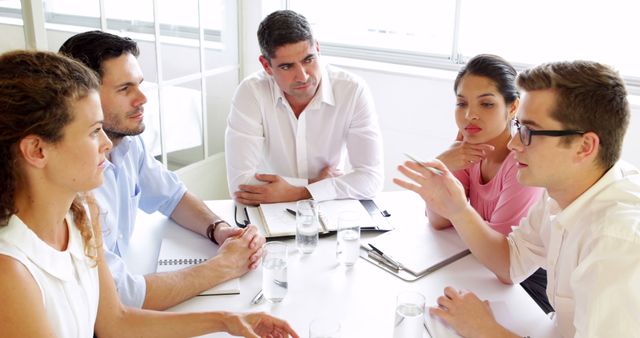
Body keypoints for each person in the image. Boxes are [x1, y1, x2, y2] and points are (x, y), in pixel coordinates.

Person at [0, 50, 298, 338]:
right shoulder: (10, 274)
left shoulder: (81, 212)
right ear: (37, 150)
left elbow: (116, 323)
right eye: (93, 132)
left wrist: (229, 321)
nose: (106, 143)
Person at [395, 60, 640, 337]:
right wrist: (458, 209)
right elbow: (510, 264)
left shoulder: (618, 244)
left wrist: (486, 330)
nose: (513, 144)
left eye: (529, 132)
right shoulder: (559, 194)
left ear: (584, 147)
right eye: (518, 127)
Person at [59, 30, 266, 310]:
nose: (142, 98)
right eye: (125, 89)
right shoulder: (71, 181)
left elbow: (172, 196)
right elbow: (122, 297)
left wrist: (219, 229)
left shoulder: (128, 143)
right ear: (85, 99)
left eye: (140, 84)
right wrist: (224, 266)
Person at [429, 54, 550, 313]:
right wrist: (445, 166)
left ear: (513, 107)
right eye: (462, 104)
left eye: (486, 104)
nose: (470, 115)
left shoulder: (522, 162)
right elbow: (439, 220)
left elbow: (502, 256)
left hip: (527, 286)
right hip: (482, 266)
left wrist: (440, 178)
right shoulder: (469, 147)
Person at [225, 10, 383, 205]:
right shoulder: (251, 92)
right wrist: (316, 183)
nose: (303, 76)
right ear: (266, 66)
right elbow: (240, 185)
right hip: (269, 206)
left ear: (317, 48)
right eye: (286, 66)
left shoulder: (352, 91)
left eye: (308, 60)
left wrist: (298, 192)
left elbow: (371, 179)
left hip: (327, 206)